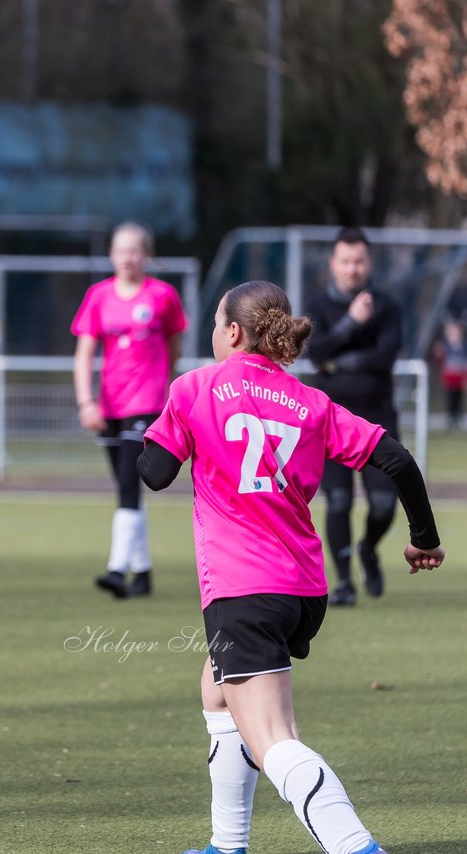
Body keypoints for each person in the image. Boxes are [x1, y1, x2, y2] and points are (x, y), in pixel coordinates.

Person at [138, 280, 443, 854]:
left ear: (232, 332)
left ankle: (356, 846)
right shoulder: (310, 402)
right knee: (217, 690)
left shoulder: (196, 388)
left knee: (275, 742)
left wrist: (158, 428)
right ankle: (226, 845)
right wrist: (422, 539)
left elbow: (154, 471)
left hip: (243, 590)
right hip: (303, 590)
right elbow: (397, 460)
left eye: (215, 324)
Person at [72, 222, 187, 599]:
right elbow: (85, 353)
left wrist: (162, 383)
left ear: (146, 255)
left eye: (135, 250)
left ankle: (117, 569)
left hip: (147, 404)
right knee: (125, 487)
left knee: (127, 483)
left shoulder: (163, 295)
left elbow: (174, 345)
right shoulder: (98, 296)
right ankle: (144, 574)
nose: (127, 258)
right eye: (121, 250)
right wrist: (86, 402)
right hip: (110, 406)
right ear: (111, 254)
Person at [304, 227, 403, 606]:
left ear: (369, 263)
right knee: (339, 501)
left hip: (377, 419)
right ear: (333, 263)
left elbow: (386, 357)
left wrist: (339, 361)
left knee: (382, 503)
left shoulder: (388, 307)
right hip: (329, 421)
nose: (352, 268)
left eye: (359, 260)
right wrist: (351, 324)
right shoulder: (318, 306)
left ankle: (369, 549)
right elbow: (315, 354)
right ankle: (344, 581)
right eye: (345, 261)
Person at [432, 317, 467, 429]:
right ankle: (451, 417)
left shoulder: (462, 347)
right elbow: (440, 359)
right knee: (450, 397)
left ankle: (457, 416)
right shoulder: (446, 347)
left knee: (458, 397)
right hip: (450, 376)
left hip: (459, 376)